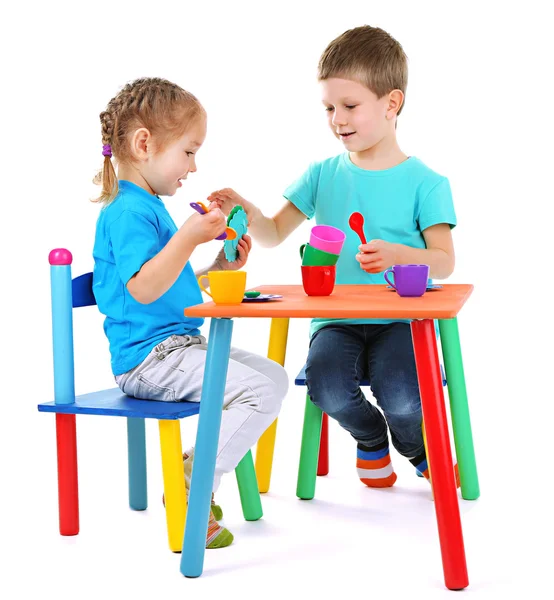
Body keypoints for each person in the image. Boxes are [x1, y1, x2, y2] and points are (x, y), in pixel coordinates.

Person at [208, 26, 458, 490]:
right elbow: (273, 233)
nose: (336, 119)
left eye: (349, 106)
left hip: (399, 320)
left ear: (391, 104)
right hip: (334, 320)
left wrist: (401, 254)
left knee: (404, 398)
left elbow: (443, 261)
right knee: (324, 386)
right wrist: (244, 210)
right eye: (328, 107)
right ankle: (370, 438)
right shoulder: (322, 174)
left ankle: (414, 446)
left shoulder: (427, 182)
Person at [91, 77, 288, 548]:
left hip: (178, 347)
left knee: (274, 380)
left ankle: (191, 467)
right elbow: (142, 289)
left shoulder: (151, 209)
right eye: (188, 151)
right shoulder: (126, 212)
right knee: (258, 393)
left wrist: (218, 264)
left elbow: (171, 287)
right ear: (144, 144)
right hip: (149, 359)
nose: (194, 166)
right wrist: (188, 236)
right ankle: (192, 487)